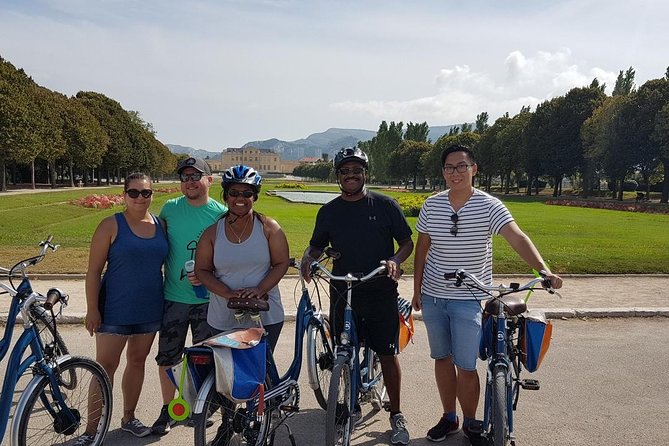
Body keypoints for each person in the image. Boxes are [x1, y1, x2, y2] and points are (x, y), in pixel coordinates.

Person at [411, 144, 563, 445]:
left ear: (474, 169)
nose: (455, 173)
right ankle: (449, 417)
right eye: (449, 168)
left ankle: (469, 421)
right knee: (442, 358)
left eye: (461, 166)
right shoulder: (432, 205)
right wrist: (416, 289)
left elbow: (517, 237)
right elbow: (422, 248)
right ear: (443, 172)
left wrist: (543, 271)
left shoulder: (490, 206)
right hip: (433, 296)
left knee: (466, 365)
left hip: (468, 298)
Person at [301, 147, 414, 445]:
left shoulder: (385, 205)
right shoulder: (329, 211)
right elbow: (315, 246)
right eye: (345, 171)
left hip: (379, 290)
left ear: (366, 174)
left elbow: (406, 242)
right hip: (343, 291)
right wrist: (307, 258)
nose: (351, 175)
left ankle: (397, 413)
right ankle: (347, 403)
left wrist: (395, 260)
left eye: (356, 170)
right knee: (343, 350)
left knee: (388, 354)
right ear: (337, 175)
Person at [83, 172, 168, 441]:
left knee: (137, 361)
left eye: (146, 193)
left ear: (152, 194)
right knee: (105, 366)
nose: (140, 198)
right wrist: (92, 309)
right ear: (124, 195)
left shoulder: (160, 224)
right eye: (134, 192)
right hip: (114, 308)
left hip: (149, 306)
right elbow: (93, 271)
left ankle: (129, 417)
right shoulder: (111, 225)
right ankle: (91, 429)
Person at [152, 157, 227, 435]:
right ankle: (167, 408)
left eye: (196, 176)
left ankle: (200, 404)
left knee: (204, 358)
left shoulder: (220, 214)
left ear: (210, 179)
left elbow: (227, 256)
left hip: (208, 300)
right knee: (168, 357)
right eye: (185, 177)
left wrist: (210, 275)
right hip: (174, 297)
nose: (190, 182)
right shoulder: (170, 209)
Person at [195, 165, 290, 352]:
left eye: (247, 193)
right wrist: (228, 293)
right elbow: (202, 270)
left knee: (261, 372)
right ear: (226, 196)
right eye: (234, 192)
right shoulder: (212, 233)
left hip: (265, 314)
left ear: (254, 197)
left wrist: (260, 289)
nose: (240, 198)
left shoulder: (269, 228)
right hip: (223, 316)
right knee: (227, 374)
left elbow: (281, 263)